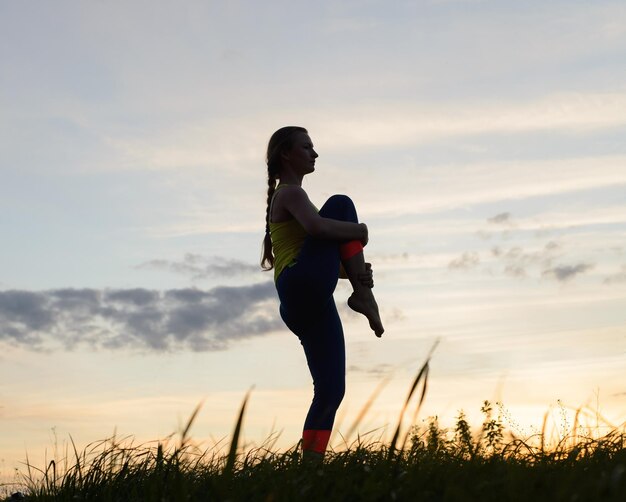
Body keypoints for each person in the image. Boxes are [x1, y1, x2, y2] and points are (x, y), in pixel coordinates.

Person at [261, 126, 384, 461]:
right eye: (307, 147)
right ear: (287, 154)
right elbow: (318, 228)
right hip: (301, 285)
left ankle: (310, 468)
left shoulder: (296, 199)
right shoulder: (289, 194)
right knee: (342, 204)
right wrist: (360, 231)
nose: (314, 153)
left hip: (304, 298)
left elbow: (325, 257)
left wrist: (354, 272)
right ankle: (364, 297)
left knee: (331, 390)